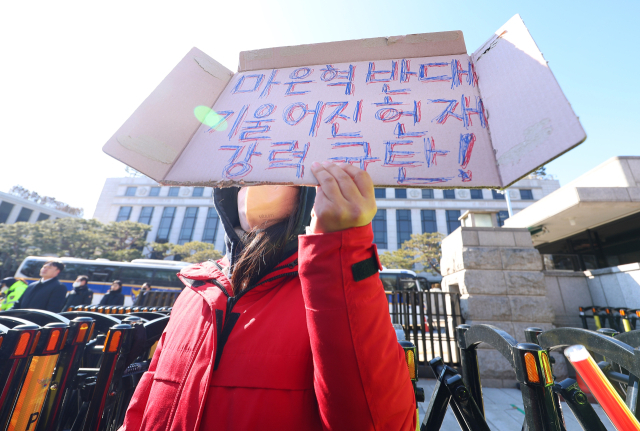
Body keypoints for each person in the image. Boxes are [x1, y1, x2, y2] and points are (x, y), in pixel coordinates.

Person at [121, 163, 416, 430]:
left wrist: (341, 250)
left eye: (277, 172)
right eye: (244, 174)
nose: (254, 186)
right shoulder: (195, 292)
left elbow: (377, 421)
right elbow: (145, 399)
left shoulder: (326, 294)